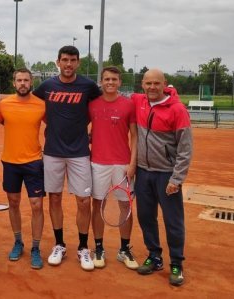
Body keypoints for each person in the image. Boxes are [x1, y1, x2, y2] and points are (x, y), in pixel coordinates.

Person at [32, 45, 101, 271]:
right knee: (54, 198)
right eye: (64, 60)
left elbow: (101, 105)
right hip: (52, 152)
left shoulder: (88, 86)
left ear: (78, 63)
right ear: (58, 62)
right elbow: (33, 106)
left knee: (83, 201)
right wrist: (51, 126)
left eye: (72, 60)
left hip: (80, 152)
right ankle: (59, 244)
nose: (68, 64)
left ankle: (83, 247)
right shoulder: (47, 86)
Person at [131, 69, 192, 286]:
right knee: (146, 217)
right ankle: (155, 256)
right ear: (142, 85)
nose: (152, 87)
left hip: (166, 174)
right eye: (148, 83)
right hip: (143, 172)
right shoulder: (138, 101)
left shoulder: (177, 109)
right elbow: (110, 92)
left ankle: (176, 262)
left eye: (156, 83)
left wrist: (176, 179)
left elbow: (185, 150)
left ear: (164, 84)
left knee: (173, 221)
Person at [0, 68, 46, 269]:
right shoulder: (4, 105)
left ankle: (36, 247)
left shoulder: (41, 105)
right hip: (10, 162)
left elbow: (55, 126)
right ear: (13, 83)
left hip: (34, 162)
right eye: (19, 80)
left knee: (36, 205)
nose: (22, 83)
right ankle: (18, 242)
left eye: (26, 80)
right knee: (13, 202)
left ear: (31, 82)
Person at [88, 66, 138, 270]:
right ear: (101, 81)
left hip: (122, 164)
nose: (110, 82)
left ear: (119, 82)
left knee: (125, 207)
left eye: (114, 79)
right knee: (97, 205)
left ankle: (124, 249)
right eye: (107, 79)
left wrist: (132, 163)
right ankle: (98, 248)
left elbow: (134, 136)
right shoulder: (91, 104)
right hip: (98, 163)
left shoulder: (128, 105)